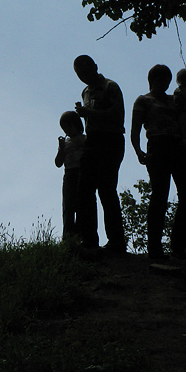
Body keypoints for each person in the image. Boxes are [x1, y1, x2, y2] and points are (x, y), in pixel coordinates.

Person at [130, 65, 186, 259]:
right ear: (152, 80)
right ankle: (155, 247)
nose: (164, 83)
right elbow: (135, 129)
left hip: (179, 146)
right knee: (160, 195)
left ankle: (178, 246)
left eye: (167, 80)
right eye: (160, 79)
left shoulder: (174, 99)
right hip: (158, 146)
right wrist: (138, 150)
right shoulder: (143, 100)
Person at [72, 55, 126, 253]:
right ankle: (88, 241)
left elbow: (117, 114)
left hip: (111, 140)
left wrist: (89, 113)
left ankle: (116, 242)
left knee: (106, 189)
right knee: (84, 190)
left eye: (85, 71)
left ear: (95, 67)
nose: (83, 76)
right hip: (93, 141)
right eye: (79, 74)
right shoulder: (85, 92)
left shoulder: (110, 86)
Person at [55, 111, 86, 241]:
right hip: (69, 175)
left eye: (69, 127)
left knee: (81, 207)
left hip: (82, 174)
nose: (67, 130)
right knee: (68, 207)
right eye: (64, 128)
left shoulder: (85, 139)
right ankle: (68, 238)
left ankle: (81, 237)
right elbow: (58, 163)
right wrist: (61, 149)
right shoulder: (65, 144)